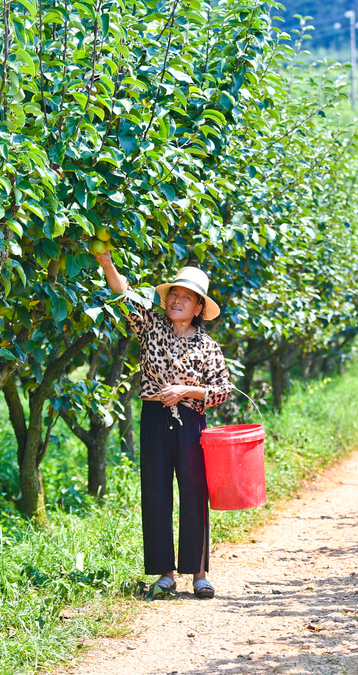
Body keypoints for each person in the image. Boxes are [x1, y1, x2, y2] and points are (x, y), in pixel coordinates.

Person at [94, 252, 234, 600]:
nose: (176, 300)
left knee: (193, 494)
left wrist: (186, 390)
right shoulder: (150, 326)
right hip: (156, 418)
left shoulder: (208, 346)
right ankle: (166, 573)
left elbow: (223, 390)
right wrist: (106, 262)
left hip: (191, 423)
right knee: (156, 493)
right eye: (174, 293)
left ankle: (199, 573)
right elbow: (123, 296)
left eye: (186, 297)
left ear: (198, 307)